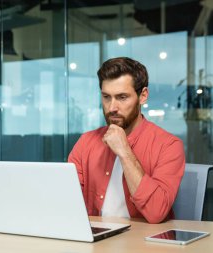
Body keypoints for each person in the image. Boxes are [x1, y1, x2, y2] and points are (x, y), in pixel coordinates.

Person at [68, 57, 185, 223]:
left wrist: (124, 152)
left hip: (146, 245)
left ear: (143, 96)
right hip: (96, 242)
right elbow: (67, 203)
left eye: (122, 97)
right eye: (106, 97)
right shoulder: (86, 142)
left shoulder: (169, 146)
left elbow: (156, 212)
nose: (112, 108)